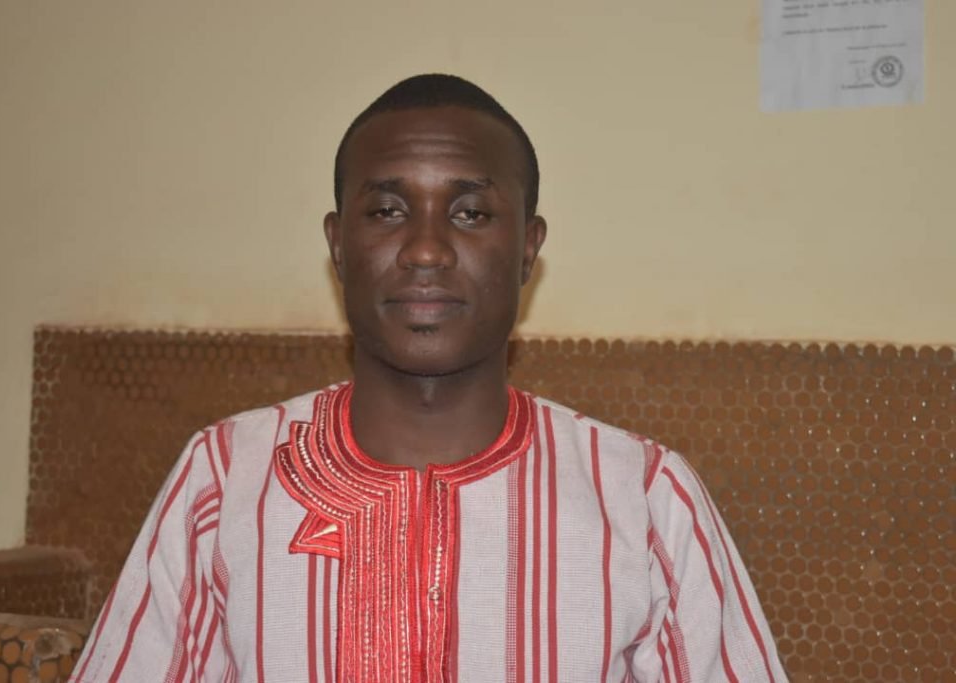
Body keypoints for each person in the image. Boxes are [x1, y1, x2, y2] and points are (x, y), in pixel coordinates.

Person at [72, 74, 787, 682]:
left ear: (528, 248)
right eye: (387, 211)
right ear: (338, 245)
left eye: (471, 213)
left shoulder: (645, 498)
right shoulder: (224, 480)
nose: (425, 250)